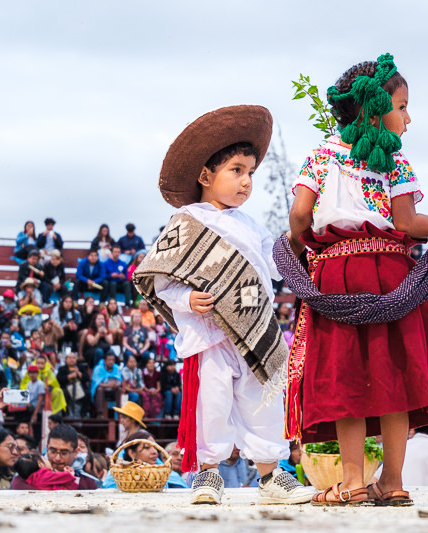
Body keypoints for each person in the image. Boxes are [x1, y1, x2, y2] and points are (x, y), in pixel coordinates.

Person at [276, 54, 428, 506]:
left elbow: (298, 214)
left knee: (346, 377)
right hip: (393, 277)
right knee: (394, 379)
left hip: (337, 276)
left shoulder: (322, 155)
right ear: (373, 109)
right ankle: (393, 481)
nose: (408, 117)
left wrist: (305, 242)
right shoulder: (395, 162)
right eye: (402, 106)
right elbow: (408, 224)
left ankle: (351, 482)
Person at [131, 104, 313, 506]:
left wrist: (302, 237)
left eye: (250, 173)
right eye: (236, 170)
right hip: (210, 333)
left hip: (255, 329)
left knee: (262, 402)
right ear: (206, 176)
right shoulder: (186, 220)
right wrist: (187, 298)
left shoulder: (253, 226)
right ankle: (207, 475)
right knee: (211, 405)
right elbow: (161, 281)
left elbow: (275, 268)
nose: (246, 181)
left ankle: (271, 476)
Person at [12, 424, 97, 490]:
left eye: (64, 453)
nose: (57, 458)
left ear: (75, 453)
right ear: (47, 448)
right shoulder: (25, 477)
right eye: (52, 451)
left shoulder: (87, 483)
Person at [13, 451, 79, 490]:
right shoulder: (42, 474)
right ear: (40, 464)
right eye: (44, 459)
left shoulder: (32, 479)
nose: (47, 460)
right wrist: (68, 473)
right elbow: (57, 476)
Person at [91, 352, 122, 417]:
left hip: (113, 391)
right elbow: (97, 383)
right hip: (102, 392)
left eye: (113, 360)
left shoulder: (116, 368)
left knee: (119, 389)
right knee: (99, 389)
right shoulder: (98, 369)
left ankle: (120, 413)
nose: (111, 362)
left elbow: (120, 381)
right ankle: (100, 414)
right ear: (105, 361)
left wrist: (116, 384)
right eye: (109, 360)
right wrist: (109, 385)